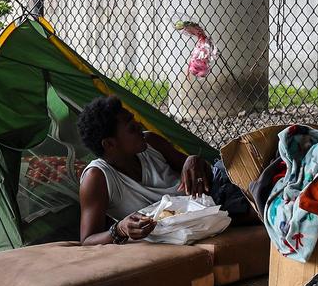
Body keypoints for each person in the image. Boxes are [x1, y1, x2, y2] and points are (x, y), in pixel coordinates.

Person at [76, 95, 245, 245]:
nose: (139, 125)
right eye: (132, 128)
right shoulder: (97, 178)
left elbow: (203, 173)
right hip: (194, 222)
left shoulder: (151, 142)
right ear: (110, 144)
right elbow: (88, 239)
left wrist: (193, 160)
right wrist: (120, 229)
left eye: (135, 121)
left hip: (214, 196)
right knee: (256, 205)